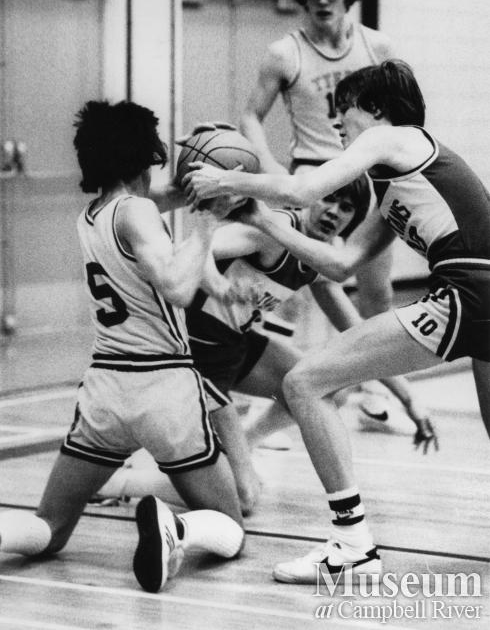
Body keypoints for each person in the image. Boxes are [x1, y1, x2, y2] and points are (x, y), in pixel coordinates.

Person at [184, 59, 490, 582]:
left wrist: (227, 178)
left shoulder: (391, 137)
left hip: (469, 290)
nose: (337, 127)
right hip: (478, 294)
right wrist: (259, 219)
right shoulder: (395, 183)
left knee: (302, 382)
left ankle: (352, 545)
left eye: (342, 114)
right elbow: (340, 264)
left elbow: (303, 190)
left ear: (373, 110)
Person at [0, 100, 245, 594]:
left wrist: (208, 188)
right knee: (231, 524)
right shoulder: (137, 211)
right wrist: (208, 222)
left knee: (49, 529)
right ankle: (176, 530)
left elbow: (157, 200)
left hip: (106, 390)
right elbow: (177, 286)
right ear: (147, 154)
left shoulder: (91, 215)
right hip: (162, 386)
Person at [93, 178, 436, 517]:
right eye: (328, 198)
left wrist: (410, 400)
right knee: (243, 499)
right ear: (309, 197)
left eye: (346, 207)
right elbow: (195, 248)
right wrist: (219, 285)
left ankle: (243, 445)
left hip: (234, 347)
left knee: (328, 384)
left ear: (354, 219)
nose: (333, 211)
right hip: (194, 356)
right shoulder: (274, 231)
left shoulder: (317, 257)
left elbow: (360, 336)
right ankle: (121, 484)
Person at [241, 0, 398, 419]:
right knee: (290, 291)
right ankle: (267, 401)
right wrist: (272, 168)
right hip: (313, 177)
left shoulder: (378, 47)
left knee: (376, 290)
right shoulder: (284, 52)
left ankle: (373, 385)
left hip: (367, 179)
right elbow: (251, 114)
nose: (322, 0)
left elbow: (398, 114)